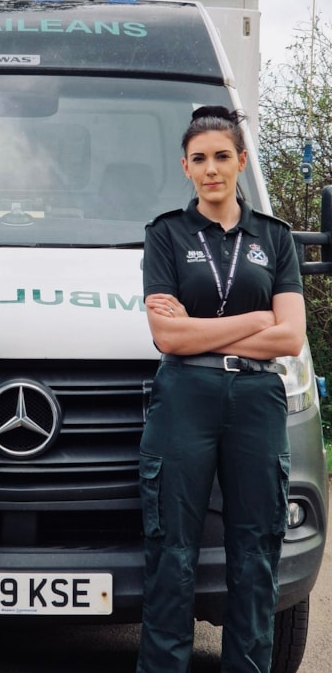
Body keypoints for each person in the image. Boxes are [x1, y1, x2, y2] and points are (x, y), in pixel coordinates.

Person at [137, 105, 306, 673]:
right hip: (185, 395)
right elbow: (166, 335)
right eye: (200, 159)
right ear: (185, 167)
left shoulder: (275, 239)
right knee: (171, 550)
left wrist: (201, 333)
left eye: (223, 157)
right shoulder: (166, 235)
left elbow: (290, 337)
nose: (212, 169)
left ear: (240, 162)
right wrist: (255, 321)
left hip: (256, 400)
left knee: (257, 549)